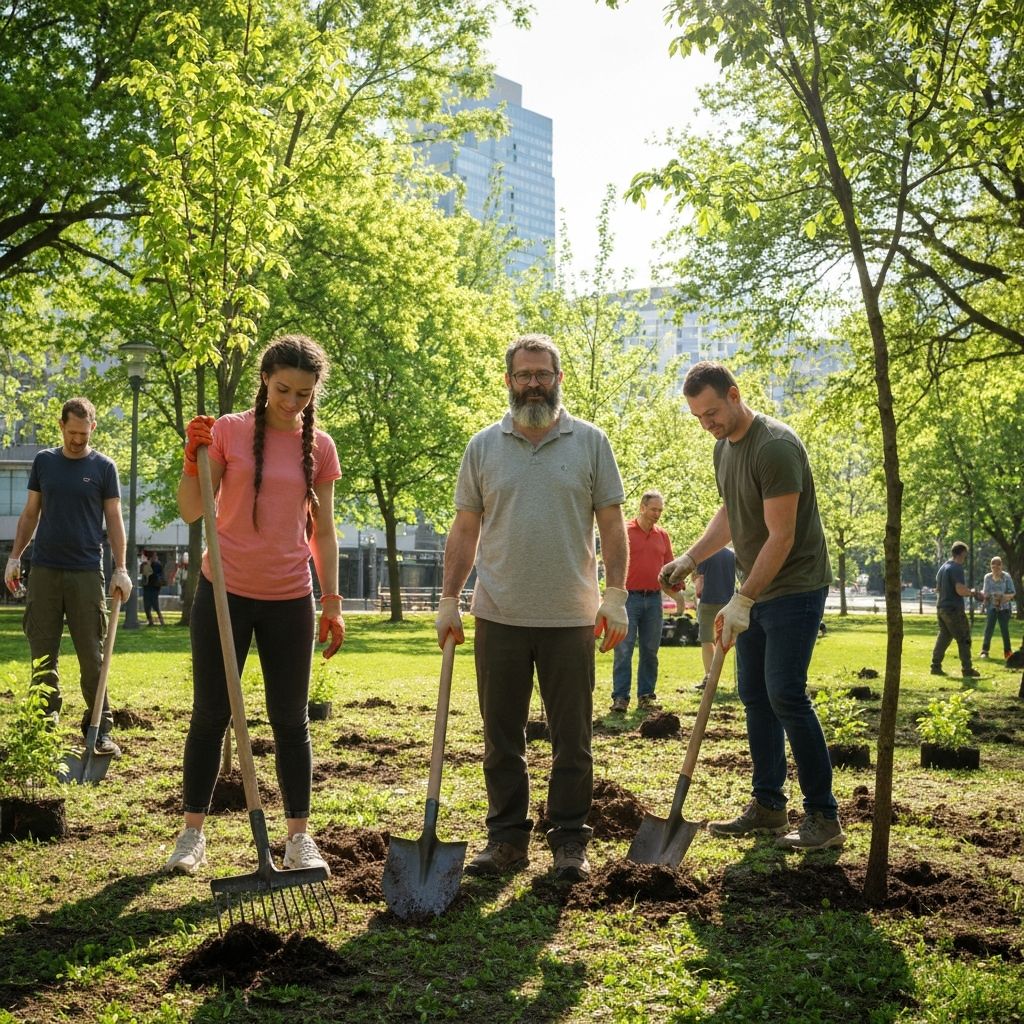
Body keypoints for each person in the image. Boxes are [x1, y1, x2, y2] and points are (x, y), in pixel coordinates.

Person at [435, 333, 628, 883]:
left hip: (572, 616)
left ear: (558, 378)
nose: (534, 383)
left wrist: (615, 595)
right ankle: (506, 840)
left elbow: (612, 524)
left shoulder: (590, 442)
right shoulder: (483, 446)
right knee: (501, 738)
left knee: (574, 738)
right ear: (509, 381)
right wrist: (450, 599)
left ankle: (569, 841)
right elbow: (465, 527)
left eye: (544, 373)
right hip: (499, 615)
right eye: (524, 375)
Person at [162, 334, 345, 877]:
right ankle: (192, 833)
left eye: (304, 394)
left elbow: (326, 531)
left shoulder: (322, 447)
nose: (292, 402)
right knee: (211, 713)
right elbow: (194, 510)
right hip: (225, 593)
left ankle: (297, 839)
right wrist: (194, 460)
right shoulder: (229, 431)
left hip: (291, 596)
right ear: (264, 378)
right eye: (283, 389)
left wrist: (331, 599)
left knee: (291, 721)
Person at [660, 362, 843, 851]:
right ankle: (768, 807)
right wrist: (691, 557)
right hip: (755, 590)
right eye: (698, 417)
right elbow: (732, 512)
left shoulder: (775, 446)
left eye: (713, 412)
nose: (707, 424)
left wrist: (742, 598)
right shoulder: (724, 448)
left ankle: (824, 818)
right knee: (754, 696)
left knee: (785, 694)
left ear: (736, 394)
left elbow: (781, 536)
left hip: (795, 587)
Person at [4, 398, 133, 755]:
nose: (78, 439)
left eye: (84, 432)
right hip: (44, 570)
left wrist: (121, 568)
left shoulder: (104, 467)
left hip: (86, 573)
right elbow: (31, 513)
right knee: (42, 654)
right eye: (72, 432)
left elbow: (115, 519)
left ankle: (99, 730)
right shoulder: (44, 462)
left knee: (93, 655)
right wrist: (15, 557)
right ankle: (43, 728)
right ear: (61, 426)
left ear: (93, 427)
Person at [610, 490, 676, 713]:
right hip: (628, 598)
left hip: (654, 599)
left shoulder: (662, 535)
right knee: (623, 649)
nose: (657, 514)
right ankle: (620, 697)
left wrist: (677, 592)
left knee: (650, 649)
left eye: (660, 510)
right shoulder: (626, 532)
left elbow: (669, 567)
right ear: (642, 507)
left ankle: (646, 696)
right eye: (653, 509)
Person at [930, 542, 982, 678]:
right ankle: (967, 669)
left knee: (944, 636)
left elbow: (938, 588)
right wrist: (973, 593)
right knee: (964, 637)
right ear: (962, 553)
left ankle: (935, 666)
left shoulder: (943, 567)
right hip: (953, 609)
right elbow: (960, 590)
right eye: (966, 554)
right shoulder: (957, 568)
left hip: (941, 607)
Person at [693, 547, 736, 691]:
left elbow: (699, 581)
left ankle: (709, 677)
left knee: (706, 640)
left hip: (708, 602)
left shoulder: (704, 552)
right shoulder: (732, 555)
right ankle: (739, 677)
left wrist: (696, 587)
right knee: (729, 640)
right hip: (728, 602)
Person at [979, 557, 1015, 661]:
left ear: (1001, 565)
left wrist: (1002, 597)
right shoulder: (987, 577)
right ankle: (984, 651)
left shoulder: (1006, 577)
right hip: (991, 607)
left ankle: (1008, 653)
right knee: (989, 629)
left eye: (998, 564)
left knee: (1004, 630)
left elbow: (1012, 593)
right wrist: (984, 599)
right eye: (993, 564)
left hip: (1004, 608)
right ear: (990, 566)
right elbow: (985, 592)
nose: (996, 566)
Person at [142, 550, 166, 626]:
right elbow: (143, 573)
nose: (155, 557)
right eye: (154, 556)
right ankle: (150, 621)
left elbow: (156, 574)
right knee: (147, 606)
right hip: (147, 587)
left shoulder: (158, 565)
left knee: (155, 605)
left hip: (154, 587)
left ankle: (161, 620)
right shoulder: (145, 564)